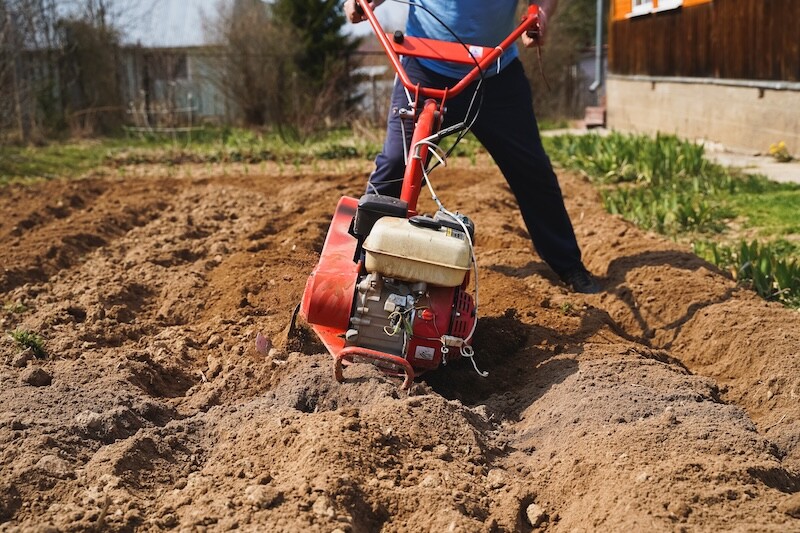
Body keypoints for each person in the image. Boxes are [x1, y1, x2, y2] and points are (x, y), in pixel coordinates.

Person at [344, 0, 601, 294]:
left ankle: (568, 264)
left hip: (495, 72)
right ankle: (358, 260)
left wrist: (541, 14)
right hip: (424, 66)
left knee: (532, 171)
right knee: (395, 164)